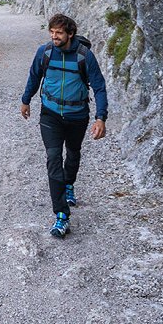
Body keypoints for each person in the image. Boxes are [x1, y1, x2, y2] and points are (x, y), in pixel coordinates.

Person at [20, 13, 108, 239]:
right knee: (53, 159)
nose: (54, 36)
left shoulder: (84, 56)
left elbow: (99, 86)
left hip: (77, 115)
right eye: (51, 32)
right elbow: (33, 76)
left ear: (70, 33)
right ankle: (61, 215)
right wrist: (26, 100)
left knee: (74, 152)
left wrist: (101, 117)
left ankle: (69, 184)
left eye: (59, 33)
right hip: (50, 114)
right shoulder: (45, 52)